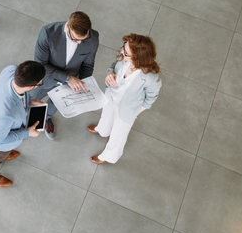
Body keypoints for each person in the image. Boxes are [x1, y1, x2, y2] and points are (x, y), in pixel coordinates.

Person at [88, 34, 161, 164]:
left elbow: (151, 97)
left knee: (118, 135)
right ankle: (102, 129)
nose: (122, 52)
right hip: (111, 95)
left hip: (127, 108)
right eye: (123, 48)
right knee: (107, 114)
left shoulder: (150, 78)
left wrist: (137, 111)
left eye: (126, 53)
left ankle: (108, 156)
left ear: (138, 58)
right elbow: (113, 66)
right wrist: (110, 73)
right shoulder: (124, 59)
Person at [33, 12, 99, 140]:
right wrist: (68, 78)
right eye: (76, 39)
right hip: (44, 78)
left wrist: (81, 84)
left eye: (83, 39)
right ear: (67, 27)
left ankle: (46, 118)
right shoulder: (48, 33)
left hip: (70, 85)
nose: (80, 43)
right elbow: (40, 64)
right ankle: (21, 120)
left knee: (54, 106)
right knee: (31, 99)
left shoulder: (94, 37)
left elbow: (88, 66)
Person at [0, 61, 46, 187]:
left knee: (0, 151)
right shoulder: (6, 113)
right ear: (30, 87)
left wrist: (29, 102)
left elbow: (20, 95)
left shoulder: (11, 70)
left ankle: (4, 153)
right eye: (40, 83)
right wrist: (28, 132)